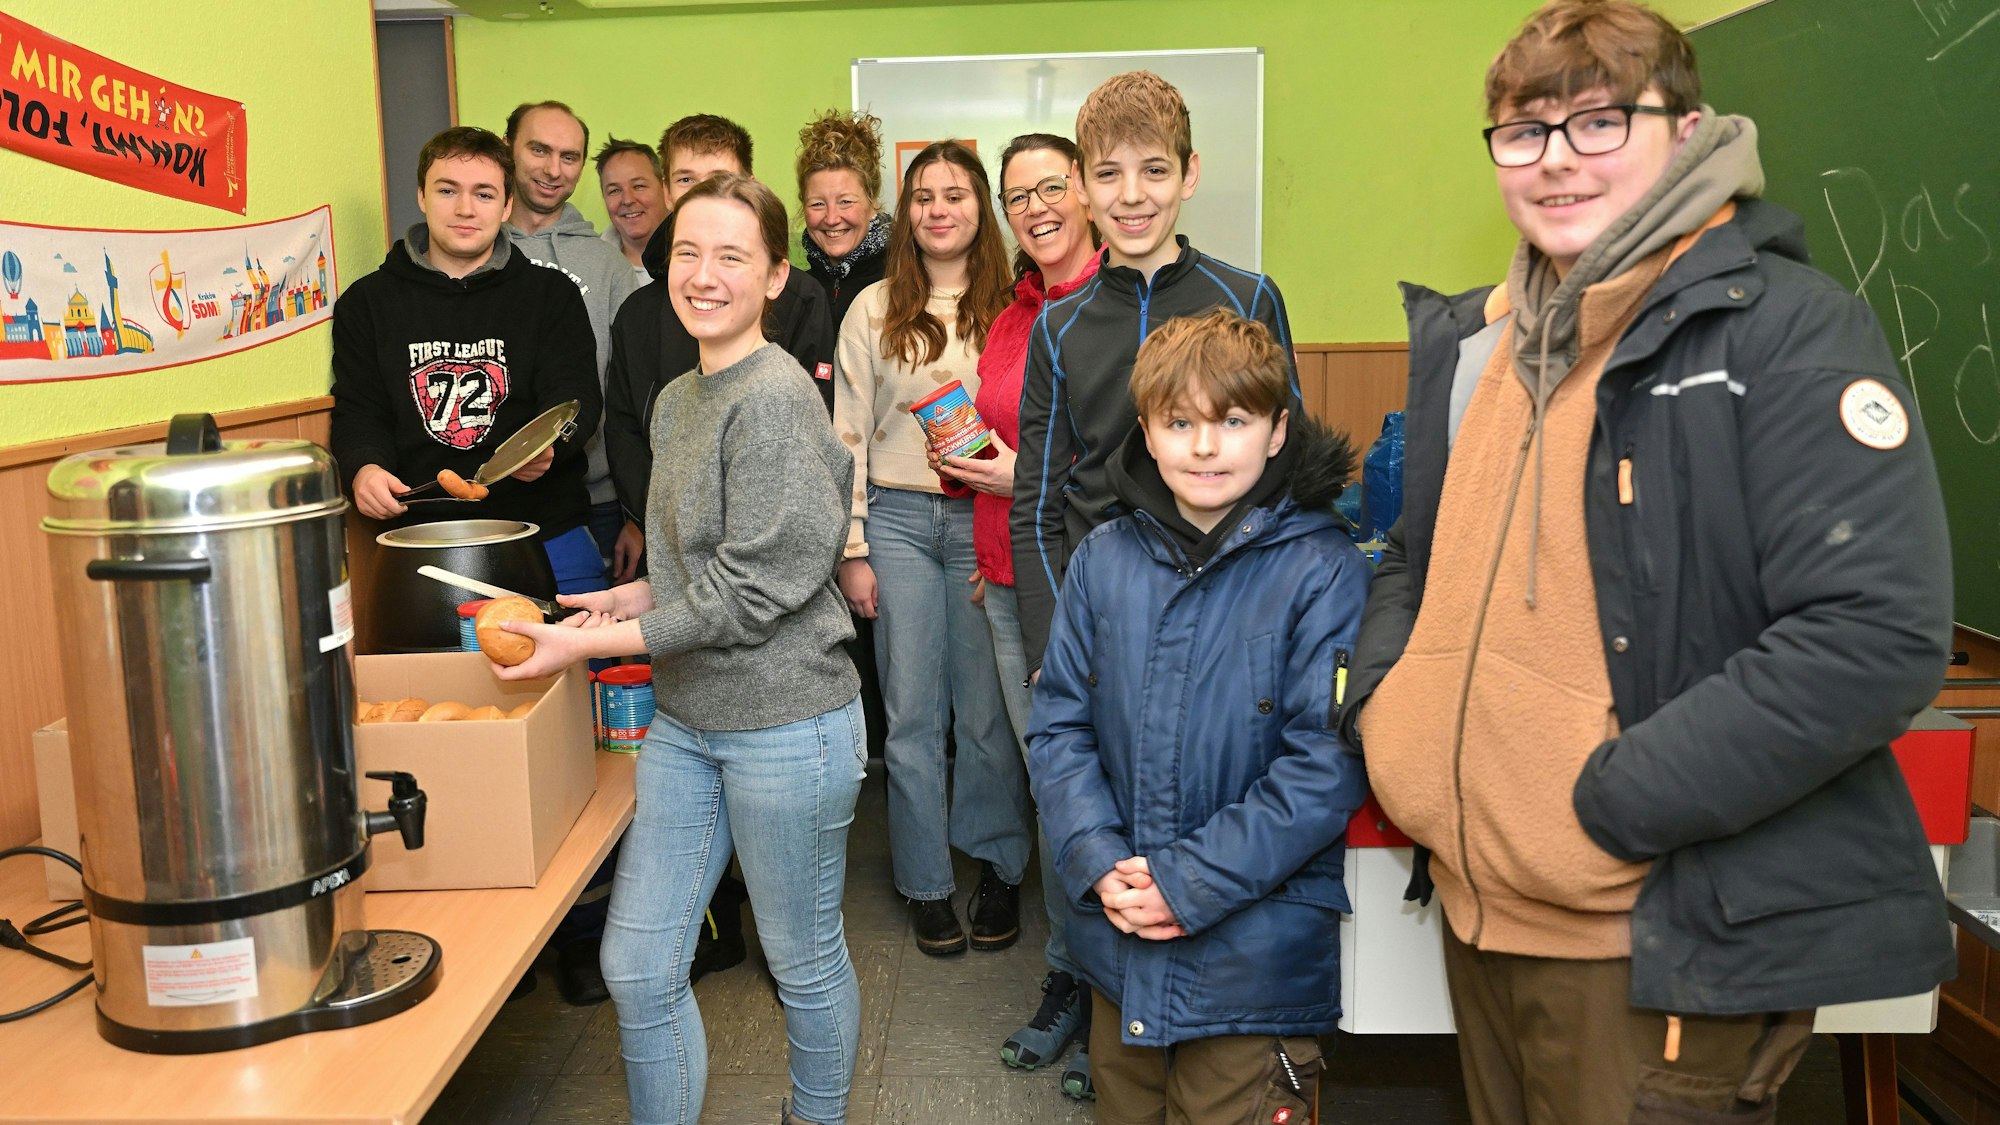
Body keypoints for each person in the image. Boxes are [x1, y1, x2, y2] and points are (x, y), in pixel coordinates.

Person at [1343, 3, 1958, 1121]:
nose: (1554, 159)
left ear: (1684, 131)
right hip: (1480, 915)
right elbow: (1413, 556)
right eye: (1523, 131)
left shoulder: (1785, 332)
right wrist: (1389, 717)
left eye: (1598, 122)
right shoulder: (1482, 343)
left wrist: (1609, 806)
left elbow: (1870, 636)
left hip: (1649, 936)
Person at [492, 173, 865, 1125]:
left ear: (774, 276)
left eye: (732, 255)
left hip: (788, 723)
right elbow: (692, 567)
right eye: (688, 252)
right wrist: (617, 600)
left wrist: (590, 647)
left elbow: (750, 592)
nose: (703, 274)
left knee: (802, 958)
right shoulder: (675, 399)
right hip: (689, 721)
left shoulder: (775, 397)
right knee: (637, 964)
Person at [1028, 308, 1367, 1125]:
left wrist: (1185, 883)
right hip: (1120, 943)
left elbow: (1323, 765)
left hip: (1253, 968)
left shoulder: (1325, 569)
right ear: (1146, 432)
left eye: (1234, 421)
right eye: (1180, 423)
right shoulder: (1103, 558)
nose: (1206, 446)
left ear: (1277, 431)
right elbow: (1059, 724)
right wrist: (1096, 855)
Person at [1011, 70, 1301, 680]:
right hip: (1099, 612)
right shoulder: (1058, 326)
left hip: (1228, 606)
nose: (1132, 195)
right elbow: (1036, 501)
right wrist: (1049, 647)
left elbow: (1290, 466)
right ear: (1080, 186)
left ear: (1189, 174)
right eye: (1108, 174)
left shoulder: (1248, 299)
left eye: (1154, 170)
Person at [924, 132, 1101, 1099]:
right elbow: (1009, 444)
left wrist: (1015, 484)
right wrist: (996, 553)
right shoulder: (1013, 313)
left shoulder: (1118, 303)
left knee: (1095, 793)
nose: (1034, 208)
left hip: (1089, 588)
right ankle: (1073, 978)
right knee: (1050, 791)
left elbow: (1122, 465)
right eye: (1016, 194)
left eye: (1051, 187)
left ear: (1089, 193)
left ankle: (1111, 997)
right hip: (1009, 580)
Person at [832, 140, 1034, 958]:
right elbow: (846, 433)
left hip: (987, 521)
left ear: (982, 207)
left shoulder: (1016, 308)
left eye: (955, 194)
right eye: (923, 196)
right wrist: (851, 546)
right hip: (900, 524)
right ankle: (926, 881)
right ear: (905, 212)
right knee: (912, 713)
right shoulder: (873, 308)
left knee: (987, 714)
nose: (938, 209)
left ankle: (1001, 867)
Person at [330, 125, 601, 589]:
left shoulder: (552, 295)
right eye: (447, 190)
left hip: (546, 529)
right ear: (421, 195)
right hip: (420, 538)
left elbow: (575, 394)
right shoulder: (366, 303)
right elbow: (359, 409)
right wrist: (364, 468)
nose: (465, 209)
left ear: (507, 205)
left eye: (484, 194)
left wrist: (552, 446)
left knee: (582, 639)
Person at [601, 113, 836, 554]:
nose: (705, 280)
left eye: (731, 258)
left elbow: (768, 567)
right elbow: (625, 429)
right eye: (686, 179)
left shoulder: (785, 382)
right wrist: (658, 526)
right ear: (667, 190)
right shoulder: (653, 348)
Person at [503, 100, 641, 572]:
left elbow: (632, 390)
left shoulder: (608, 266)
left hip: (598, 498)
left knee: (593, 618)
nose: (553, 169)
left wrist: (637, 510)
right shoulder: (475, 250)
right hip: (489, 495)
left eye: (569, 157)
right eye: (539, 150)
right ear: (508, 148)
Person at [795, 109, 891, 332]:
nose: (831, 218)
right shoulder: (795, 292)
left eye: (846, 202)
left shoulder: (904, 283)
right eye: (817, 204)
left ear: (873, 203)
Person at [596, 136, 667, 285]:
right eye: (615, 190)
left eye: (639, 186)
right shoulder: (591, 260)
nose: (627, 200)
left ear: (665, 188)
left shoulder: (695, 256)